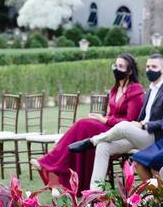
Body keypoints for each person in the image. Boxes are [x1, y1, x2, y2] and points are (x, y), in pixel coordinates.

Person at [33, 55, 144, 191]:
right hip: (109, 128)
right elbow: (112, 114)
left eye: (121, 66)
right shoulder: (115, 89)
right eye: (115, 65)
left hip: (123, 133)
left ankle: (48, 161)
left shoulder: (135, 90)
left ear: (130, 71)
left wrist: (104, 119)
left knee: (83, 124)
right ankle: (69, 177)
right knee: (82, 131)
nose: (116, 69)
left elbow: (129, 121)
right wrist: (104, 118)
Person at [71, 54, 163, 189]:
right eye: (148, 66)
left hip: (155, 137)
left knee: (124, 126)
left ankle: (92, 140)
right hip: (140, 135)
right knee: (103, 146)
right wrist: (139, 124)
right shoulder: (150, 89)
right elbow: (143, 115)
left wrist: (143, 124)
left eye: (154, 67)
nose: (150, 69)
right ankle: (95, 194)